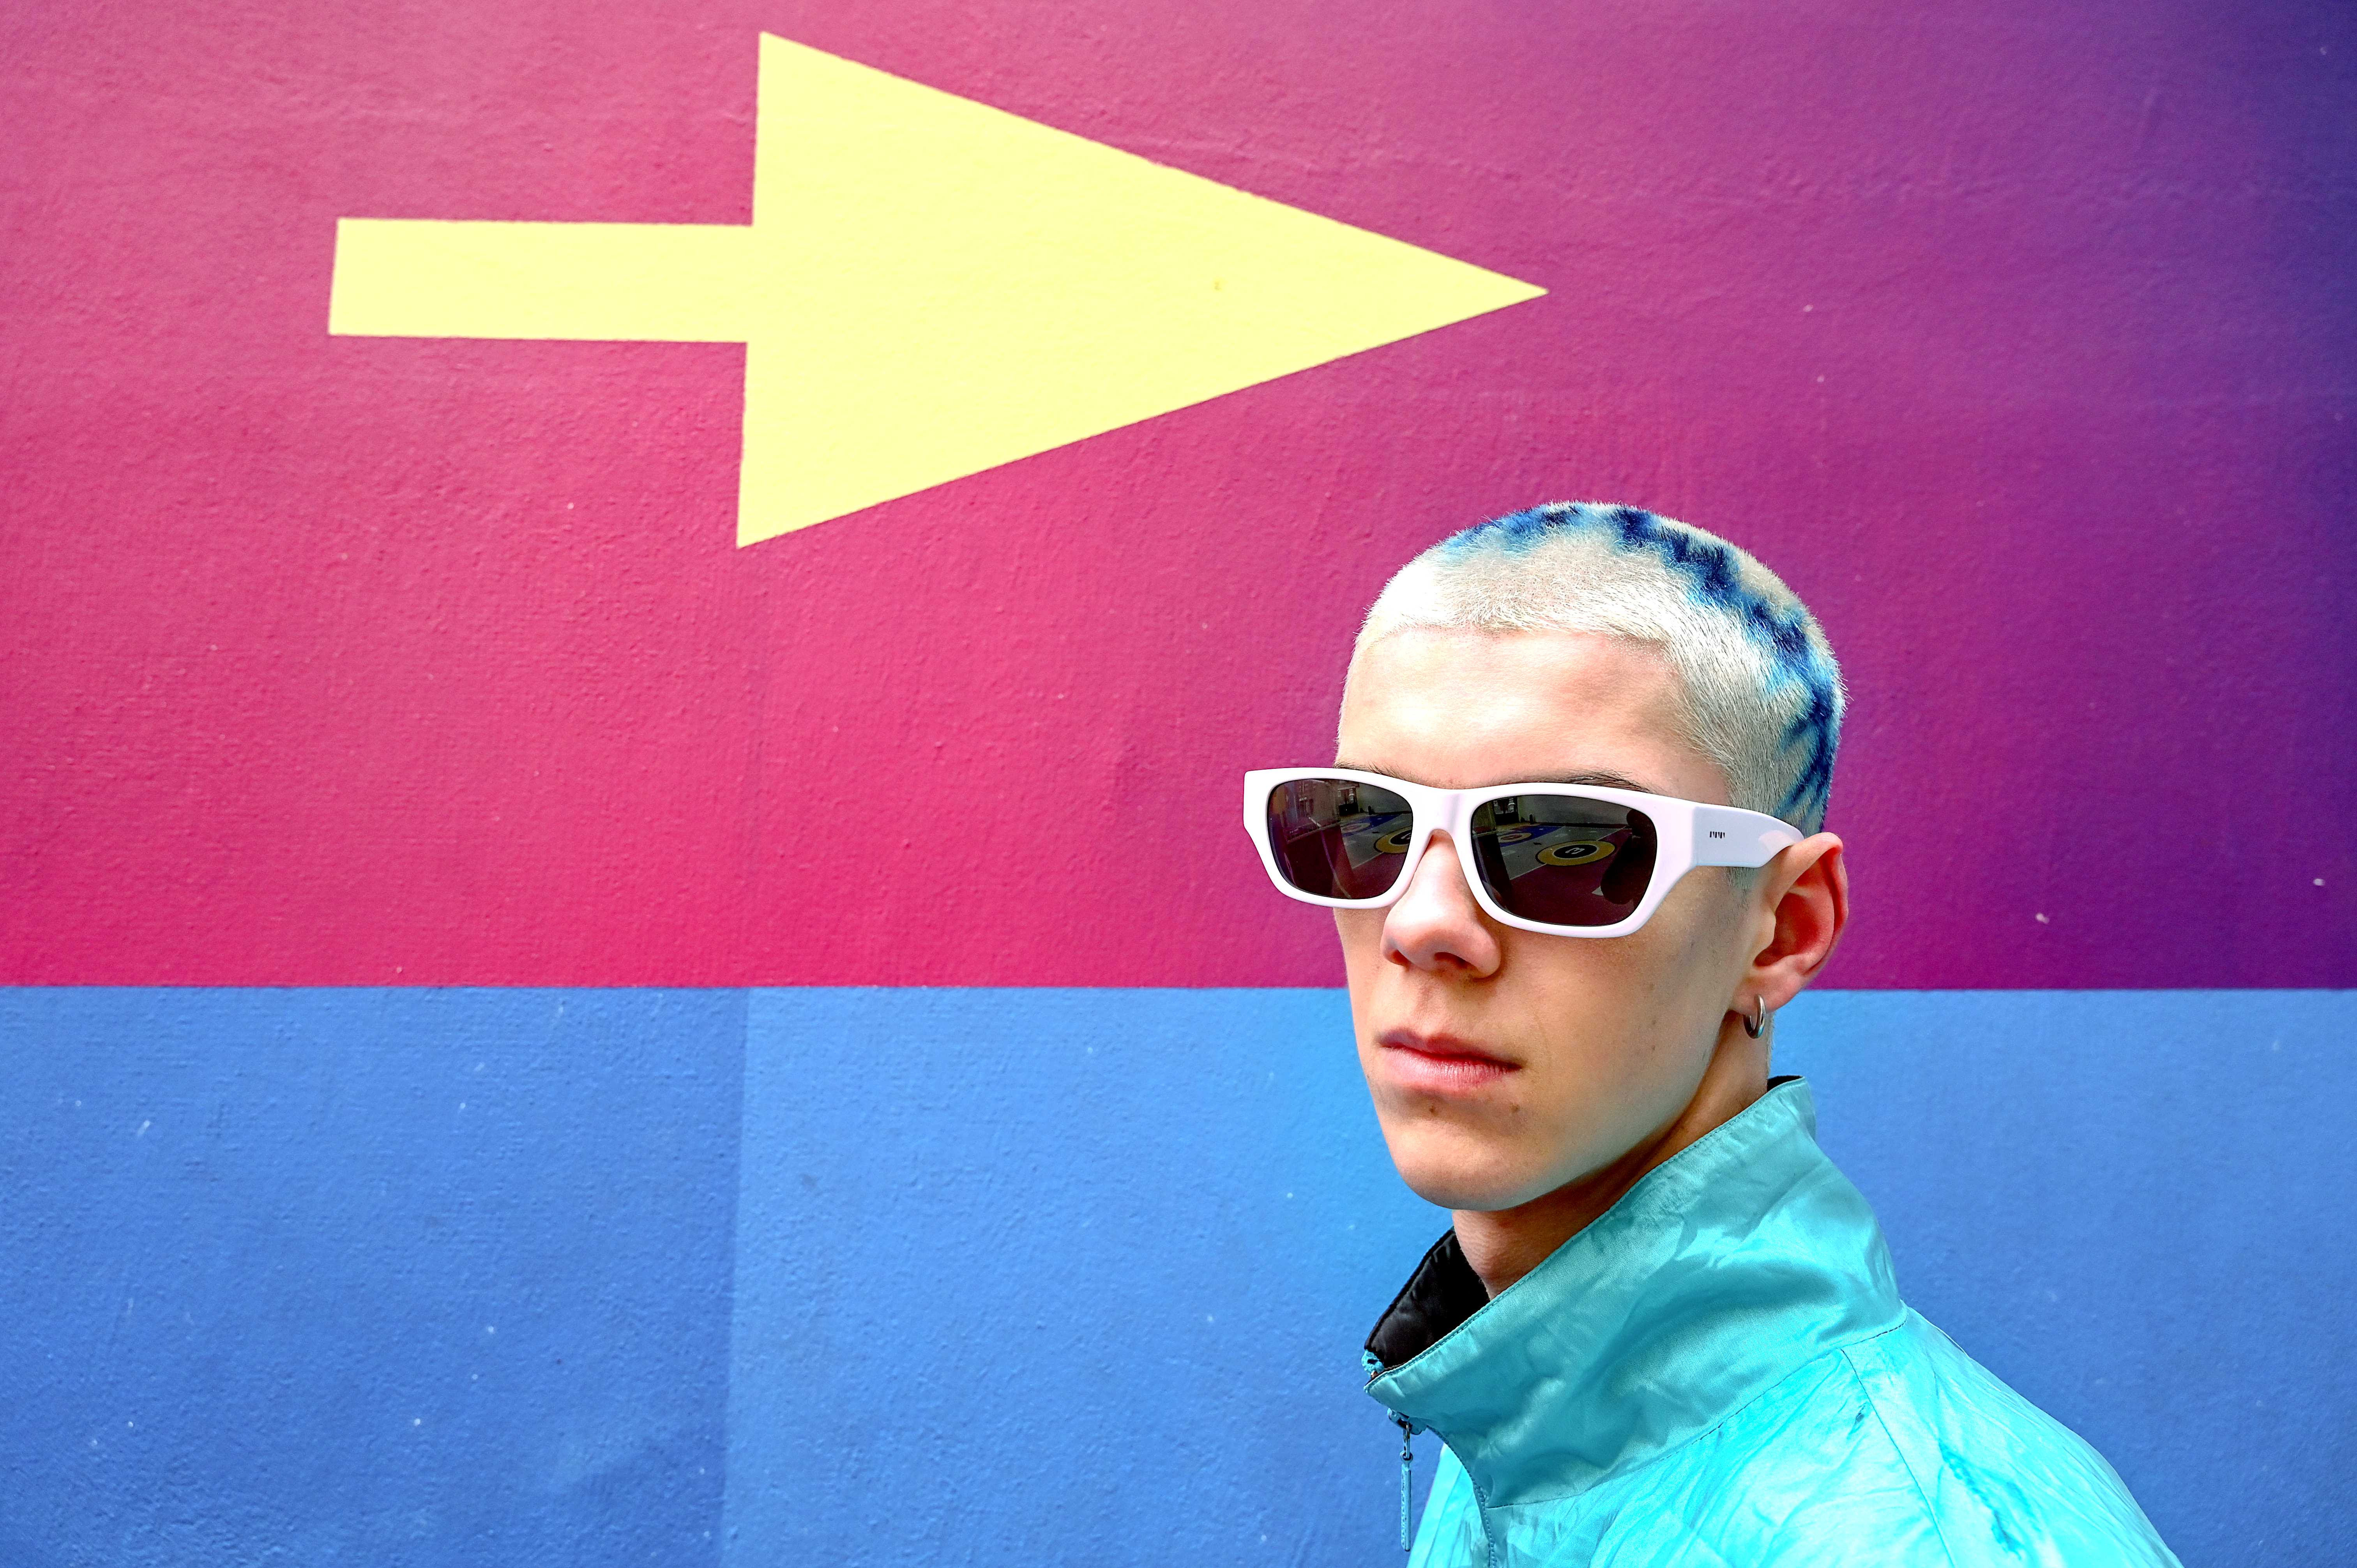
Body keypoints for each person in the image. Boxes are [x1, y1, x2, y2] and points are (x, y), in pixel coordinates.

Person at [1242, 503, 2178, 1566]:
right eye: (1364, 824)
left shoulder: (1926, 1542)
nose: (1420, 924)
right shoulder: (1528, 1414)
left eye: (1567, 844)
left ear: (1782, 928)